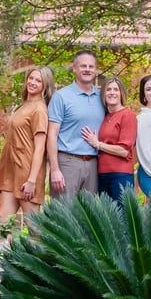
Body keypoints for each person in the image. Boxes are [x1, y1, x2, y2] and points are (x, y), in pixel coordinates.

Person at [0, 66, 54, 288]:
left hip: (27, 173)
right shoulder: (24, 105)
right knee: (3, 224)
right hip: (11, 171)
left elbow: (40, 147)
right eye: (31, 78)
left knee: (35, 230)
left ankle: (44, 279)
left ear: (45, 86)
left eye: (38, 81)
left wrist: (32, 179)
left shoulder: (40, 109)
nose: (32, 82)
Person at [46, 50, 106, 198]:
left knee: (89, 215)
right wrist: (54, 169)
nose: (87, 69)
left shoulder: (102, 97)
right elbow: (51, 135)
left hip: (94, 163)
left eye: (91, 66)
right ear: (74, 68)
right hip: (67, 163)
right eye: (83, 66)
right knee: (64, 215)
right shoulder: (61, 97)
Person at [81, 76, 137, 207]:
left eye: (115, 89)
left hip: (120, 175)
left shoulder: (127, 115)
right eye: (108, 89)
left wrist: (98, 144)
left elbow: (124, 151)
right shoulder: (105, 117)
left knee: (121, 219)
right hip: (102, 174)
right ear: (104, 94)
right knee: (108, 220)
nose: (112, 93)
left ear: (121, 93)